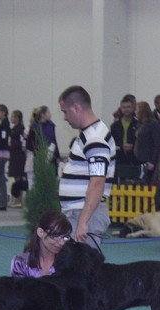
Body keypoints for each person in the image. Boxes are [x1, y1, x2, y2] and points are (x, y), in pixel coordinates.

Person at [57, 85, 115, 245]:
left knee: (84, 269)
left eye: (65, 111)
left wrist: (83, 221)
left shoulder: (94, 138)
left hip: (85, 214)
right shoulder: (90, 135)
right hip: (79, 213)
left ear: (76, 108)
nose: (64, 117)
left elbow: (97, 182)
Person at [109, 94, 138, 179]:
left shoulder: (138, 124)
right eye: (124, 107)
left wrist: (133, 146)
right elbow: (112, 142)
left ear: (133, 108)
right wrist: (122, 146)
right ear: (121, 109)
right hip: (119, 158)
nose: (126, 109)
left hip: (134, 158)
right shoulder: (114, 125)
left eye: (129, 107)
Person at [134, 100, 160, 184]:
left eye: (136, 110)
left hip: (148, 160)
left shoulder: (153, 124)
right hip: (139, 159)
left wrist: (153, 161)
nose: (135, 112)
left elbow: (157, 144)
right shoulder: (140, 124)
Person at [7, 109, 27, 207]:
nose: (11, 118)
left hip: (18, 155)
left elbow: (23, 140)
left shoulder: (20, 128)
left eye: (13, 116)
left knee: (18, 176)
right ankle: (17, 198)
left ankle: (18, 199)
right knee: (16, 177)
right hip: (13, 154)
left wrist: (21, 146)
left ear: (17, 118)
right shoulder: (14, 128)